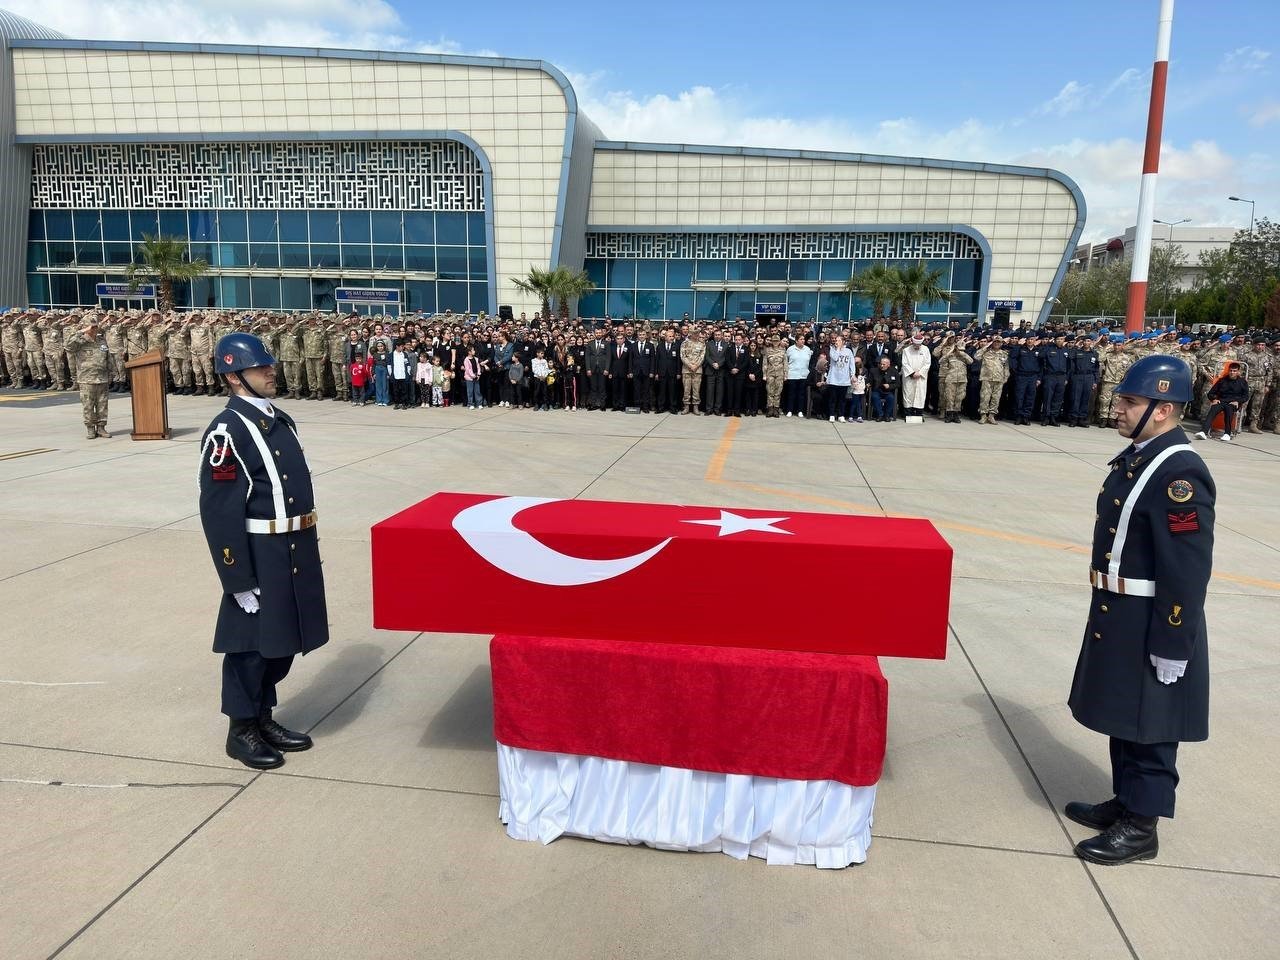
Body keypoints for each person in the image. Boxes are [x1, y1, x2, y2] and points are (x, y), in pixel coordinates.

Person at [1066, 354, 1213, 865]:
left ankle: (1142, 826)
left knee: (1151, 724)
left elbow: (1186, 568)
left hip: (1154, 618)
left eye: (1129, 402)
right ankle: (1125, 801)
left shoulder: (1180, 472)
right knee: (1123, 716)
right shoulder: (1141, 454)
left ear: (1165, 408)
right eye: (1121, 399)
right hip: (1119, 608)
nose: (1119, 409)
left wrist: (1175, 641)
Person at [198, 332, 328, 769]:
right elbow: (219, 512)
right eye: (261, 367)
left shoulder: (280, 420)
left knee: (283, 642)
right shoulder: (227, 431)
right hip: (261, 551)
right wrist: (237, 579)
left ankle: (263, 716)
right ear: (234, 377)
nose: (272, 371)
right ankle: (241, 729)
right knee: (250, 648)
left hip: (294, 545)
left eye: (270, 365)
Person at [64, 317, 112, 439]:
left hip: (102, 378)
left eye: (96, 326)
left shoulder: (102, 340)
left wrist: (110, 373)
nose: (94, 329)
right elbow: (68, 346)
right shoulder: (79, 342)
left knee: (102, 405)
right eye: (92, 327)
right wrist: (82, 331)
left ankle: (101, 427)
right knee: (88, 406)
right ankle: (90, 428)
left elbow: (107, 358)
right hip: (86, 379)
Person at [1194, 363, 1247, 441]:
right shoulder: (1222, 380)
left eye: (1234, 371)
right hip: (1221, 401)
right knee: (1213, 409)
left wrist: (1238, 401)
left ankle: (1227, 433)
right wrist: (1214, 399)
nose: (1232, 372)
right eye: (1231, 371)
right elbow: (1211, 393)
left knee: (1229, 411)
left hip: (1233, 402)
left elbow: (1245, 396)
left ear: (1238, 372)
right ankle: (1203, 432)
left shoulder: (1242, 382)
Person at [899, 333, 931, 416]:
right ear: (913, 342)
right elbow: (904, 363)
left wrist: (920, 373)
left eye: (919, 345)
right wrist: (912, 373)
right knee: (908, 394)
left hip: (921, 377)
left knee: (920, 394)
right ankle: (908, 414)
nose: (917, 346)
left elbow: (927, 363)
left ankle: (919, 414)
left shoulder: (926, 349)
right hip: (909, 377)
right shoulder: (906, 350)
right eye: (915, 344)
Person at [868, 355, 899, 421]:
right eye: (880, 364)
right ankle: (880, 415)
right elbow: (869, 381)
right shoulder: (873, 371)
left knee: (891, 398)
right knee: (875, 397)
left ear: (888, 364)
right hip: (877, 390)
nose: (881, 366)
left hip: (888, 391)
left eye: (884, 364)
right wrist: (868, 384)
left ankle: (887, 415)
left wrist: (890, 386)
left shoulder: (894, 371)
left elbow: (898, 384)